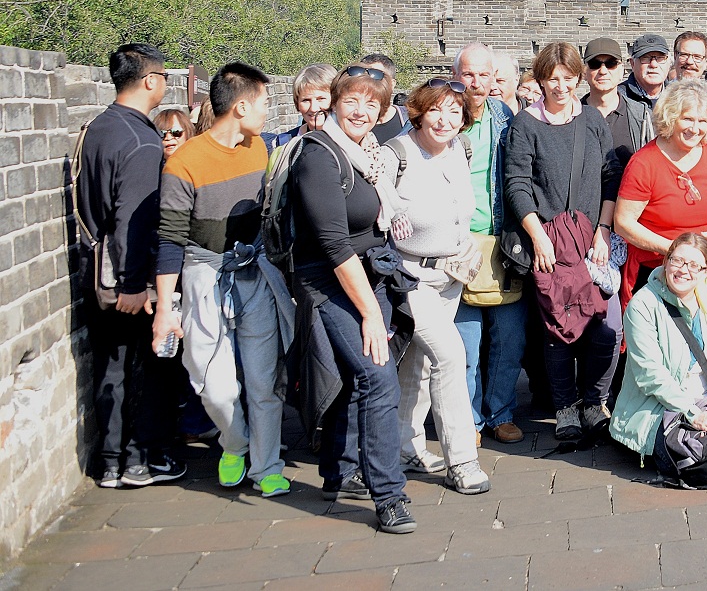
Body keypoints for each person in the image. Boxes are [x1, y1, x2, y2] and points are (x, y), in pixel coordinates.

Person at [153, 63, 292, 497]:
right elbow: (170, 239)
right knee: (211, 384)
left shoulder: (259, 149)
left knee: (263, 381)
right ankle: (235, 444)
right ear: (242, 105)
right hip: (204, 275)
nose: (269, 111)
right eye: (266, 103)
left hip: (256, 272)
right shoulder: (185, 162)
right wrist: (164, 309)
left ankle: (267, 467)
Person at [290, 64, 415, 534]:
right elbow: (334, 246)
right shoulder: (318, 157)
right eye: (351, 101)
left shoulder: (372, 156)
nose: (361, 111)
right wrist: (367, 313)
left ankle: (338, 471)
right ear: (335, 103)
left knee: (351, 375)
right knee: (377, 375)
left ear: (383, 112)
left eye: (372, 104)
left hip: (370, 274)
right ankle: (389, 495)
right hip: (330, 280)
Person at [503, 43, 621, 449]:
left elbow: (610, 176)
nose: (560, 85)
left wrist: (604, 230)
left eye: (568, 77)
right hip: (549, 239)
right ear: (540, 80)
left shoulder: (591, 119)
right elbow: (517, 182)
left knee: (600, 325)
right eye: (552, 78)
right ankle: (565, 407)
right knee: (556, 327)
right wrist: (537, 237)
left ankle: (594, 403)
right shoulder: (525, 124)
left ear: (578, 78)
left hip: (591, 238)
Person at [79, 43, 186, 489]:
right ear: (149, 81)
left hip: (96, 271)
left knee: (111, 368)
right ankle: (138, 460)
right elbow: (134, 221)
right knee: (150, 369)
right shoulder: (142, 142)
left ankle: (108, 461)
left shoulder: (95, 129)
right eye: (163, 76)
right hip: (130, 279)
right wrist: (133, 286)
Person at [389, 78, 491, 494]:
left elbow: (460, 213)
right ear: (418, 111)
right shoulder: (395, 154)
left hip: (448, 276)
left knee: (421, 363)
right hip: (408, 276)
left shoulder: (459, 152)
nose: (445, 119)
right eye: (436, 110)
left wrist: (465, 248)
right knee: (451, 354)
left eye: (455, 111)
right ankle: (463, 461)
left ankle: (405, 447)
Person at [451, 43, 528, 446]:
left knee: (508, 337)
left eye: (485, 74)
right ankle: (469, 420)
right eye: (469, 74)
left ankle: (500, 412)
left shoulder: (506, 118)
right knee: (466, 341)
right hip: (459, 243)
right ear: (456, 75)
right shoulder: (446, 118)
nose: (477, 82)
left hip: (501, 241)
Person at [611, 233, 707, 460]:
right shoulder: (642, 305)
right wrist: (693, 414)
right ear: (666, 261)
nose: (683, 270)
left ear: (706, 272)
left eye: (694, 265)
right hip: (658, 407)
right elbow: (650, 375)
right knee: (702, 457)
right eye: (677, 261)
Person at [615, 80, 707, 304]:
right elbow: (623, 223)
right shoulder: (644, 163)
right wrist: (674, 251)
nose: (695, 128)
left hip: (704, 269)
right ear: (671, 118)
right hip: (656, 271)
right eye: (687, 119)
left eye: (702, 121)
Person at [585, 36, 653, 164]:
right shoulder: (572, 116)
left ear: (622, 69)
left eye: (611, 64)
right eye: (595, 64)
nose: (603, 71)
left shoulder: (642, 116)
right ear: (584, 71)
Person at [267, 63, 334, 148]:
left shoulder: (351, 142)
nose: (313, 108)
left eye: (321, 99)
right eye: (306, 100)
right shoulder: (283, 144)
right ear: (297, 103)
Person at [359, 54, 408, 142]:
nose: (369, 84)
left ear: (392, 84)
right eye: (362, 78)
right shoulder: (353, 123)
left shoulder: (409, 121)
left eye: (376, 77)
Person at [626, 34, 673, 108]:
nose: (653, 64)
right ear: (632, 64)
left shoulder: (678, 97)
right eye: (645, 58)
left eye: (660, 58)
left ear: (669, 62)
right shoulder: (619, 98)